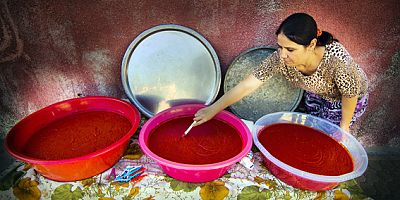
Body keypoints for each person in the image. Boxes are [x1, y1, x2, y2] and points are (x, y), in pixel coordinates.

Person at [193, 13, 368, 133]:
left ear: (312, 44)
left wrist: (344, 129)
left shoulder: (338, 61)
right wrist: (213, 109)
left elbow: (350, 94)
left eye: (290, 49)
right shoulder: (280, 58)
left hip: (344, 99)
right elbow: (249, 84)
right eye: (280, 47)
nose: (282, 55)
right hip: (317, 91)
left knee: (329, 135)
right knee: (310, 127)